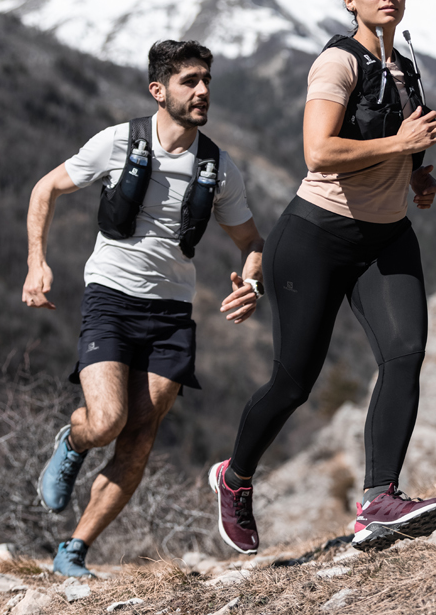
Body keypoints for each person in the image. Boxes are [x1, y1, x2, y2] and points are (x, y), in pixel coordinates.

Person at [209, 0, 436, 554]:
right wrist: (400, 145)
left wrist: (416, 175)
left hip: (386, 234)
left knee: (405, 353)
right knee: (294, 382)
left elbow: (401, 146)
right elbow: (319, 153)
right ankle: (234, 478)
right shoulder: (336, 64)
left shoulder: (406, 65)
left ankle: (378, 499)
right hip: (316, 235)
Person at [22, 40, 264, 577]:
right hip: (109, 298)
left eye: (206, 80)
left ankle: (74, 551)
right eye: (189, 81)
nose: (202, 91)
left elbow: (251, 242)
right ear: (158, 91)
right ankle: (73, 438)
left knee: (139, 437)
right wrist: (37, 262)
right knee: (107, 420)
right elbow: (46, 189)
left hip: (172, 315)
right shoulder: (118, 142)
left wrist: (251, 284)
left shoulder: (218, 168)